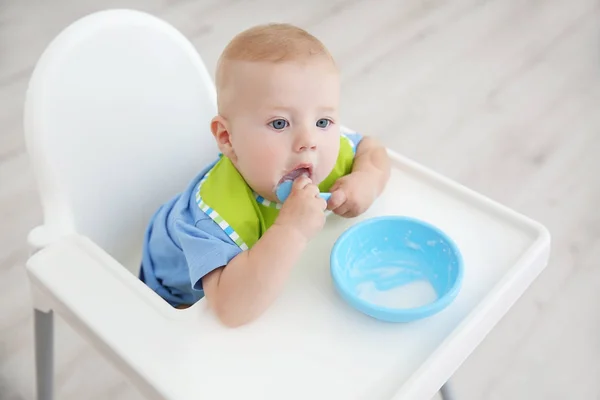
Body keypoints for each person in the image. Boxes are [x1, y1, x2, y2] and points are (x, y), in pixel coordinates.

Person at [140, 23, 390, 327]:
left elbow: (371, 148)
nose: (309, 140)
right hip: (178, 297)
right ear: (228, 138)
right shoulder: (210, 216)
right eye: (280, 124)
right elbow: (230, 309)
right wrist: (291, 231)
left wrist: (368, 178)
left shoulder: (322, 153)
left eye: (323, 121)